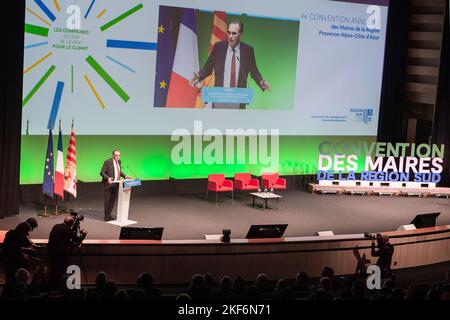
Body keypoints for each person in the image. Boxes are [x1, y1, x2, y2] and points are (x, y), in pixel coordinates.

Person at [190, 20, 271, 109]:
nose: (230, 36)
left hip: (238, 98)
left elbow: (254, 71)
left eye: (234, 33)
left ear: (241, 34)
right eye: (229, 33)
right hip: (220, 97)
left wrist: (261, 82)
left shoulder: (248, 50)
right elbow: (208, 67)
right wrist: (199, 76)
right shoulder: (219, 47)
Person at [47, 215, 87, 289]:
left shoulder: (56, 226)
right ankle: (56, 288)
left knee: (53, 271)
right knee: (59, 272)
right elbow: (77, 240)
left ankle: (51, 287)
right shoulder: (68, 230)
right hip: (60, 255)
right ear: (71, 224)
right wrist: (84, 235)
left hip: (50, 252)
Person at [0, 221, 37, 298]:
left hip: (7, 260)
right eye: (26, 232)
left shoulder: (11, 234)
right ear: (22, 230)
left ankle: (7, 295)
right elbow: (15, 250)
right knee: (11, 281)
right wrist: (26, 253)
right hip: (11, 261)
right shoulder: (15, 236)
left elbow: (15, 248)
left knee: (10, 280)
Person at [100, 149, 131, 221]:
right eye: (116, 155)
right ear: (113, 155)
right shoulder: (107, 162)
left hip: (116, 184)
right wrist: (107, 178)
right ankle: (106, 216)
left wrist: (125, 176)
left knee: (112, 200)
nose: (118, 157)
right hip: (108, 184)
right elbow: (102, 172)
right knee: (107, 200)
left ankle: (109, 214)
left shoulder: (119, 162)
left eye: (119, 155)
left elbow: (119, 171)